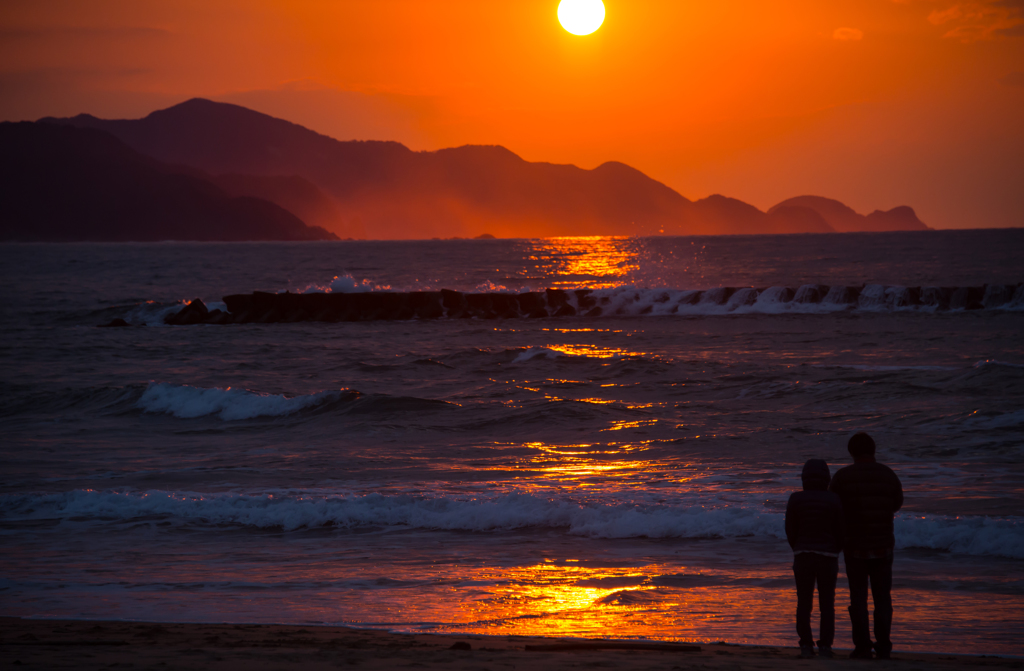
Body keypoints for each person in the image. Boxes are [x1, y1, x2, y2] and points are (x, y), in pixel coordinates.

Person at [829, 432, 904, 660]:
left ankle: (862, 646)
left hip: (854, 547)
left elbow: (834, 508)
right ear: (873, 450)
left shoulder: (842, 477)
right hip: (883, 545)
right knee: (883, 598)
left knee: (858, 598)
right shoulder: (888, 474)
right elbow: (897, 503)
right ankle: (883, 647)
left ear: (851, 452)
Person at [785, 459, 844, 659]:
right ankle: (825, 646)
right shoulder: (834, 499)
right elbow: (840, 530)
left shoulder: (795, 499)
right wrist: (835, 549)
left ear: (804, 478)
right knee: (827, 603)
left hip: (802, 555)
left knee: (804, 603)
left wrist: (798, 547)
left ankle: (806, 645)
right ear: (826, 478)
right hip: (827, 556)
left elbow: (790, 530)